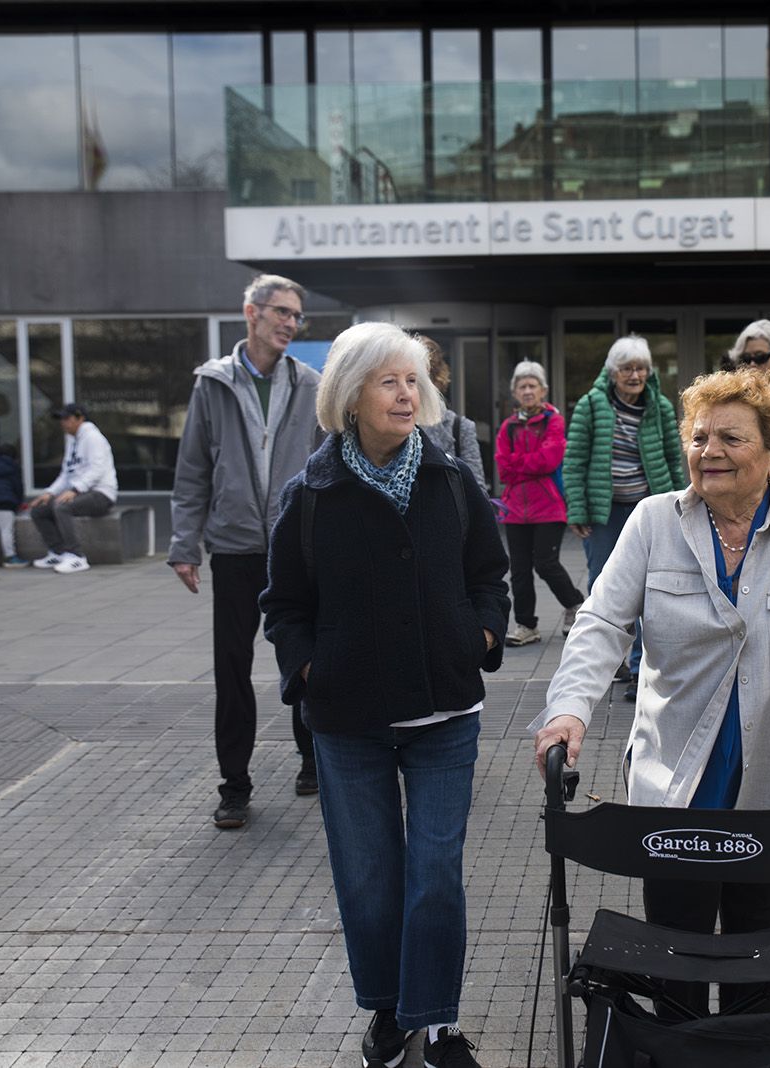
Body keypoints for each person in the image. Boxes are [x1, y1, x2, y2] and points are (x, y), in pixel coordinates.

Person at [534, 367, 770, 1020]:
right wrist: (568, 710)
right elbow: (601, 625)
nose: (710, 451)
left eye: (731, 438)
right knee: (672, 961)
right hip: (675, 792)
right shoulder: (654, 523)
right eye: (700, 437)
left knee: (756, 965)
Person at [260, 321, 509, 1068]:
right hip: (349, 720)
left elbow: (489, 576)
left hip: (445, 713)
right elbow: (284, 605)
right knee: (368, 879)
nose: (406, 395)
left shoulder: (451, 480)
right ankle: (389, 1011)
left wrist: (480, 638)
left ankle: (437, 1022)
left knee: (434, 876)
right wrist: (311, 670)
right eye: (388, 381)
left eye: (412, 381)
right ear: (350, 395)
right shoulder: (310, 495)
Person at [170, 274, 323, 830]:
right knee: (232, 667)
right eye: (282, 312)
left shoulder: (309, 383)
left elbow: (326, 463)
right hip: (233, 546)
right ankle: (234, 785)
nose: (290, 323)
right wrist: (184, 544)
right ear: (251, 313)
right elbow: (193, 469)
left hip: (293, 544)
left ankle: (313, 759)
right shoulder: (212, 384)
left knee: (304, 655)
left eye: (296, 315)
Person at [562, 335, 688, 699]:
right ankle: (603, 664)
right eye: (627, 369)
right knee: (604, 588)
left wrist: (682, 505)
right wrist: (577, 509)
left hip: (649, 509)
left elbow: (673, 458)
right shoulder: (591, 405)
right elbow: (575, 460)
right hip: (605, 513)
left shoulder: (659, 406)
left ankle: (639, 669)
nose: (635, 375)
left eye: (641, 368)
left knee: (651, 588)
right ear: (612, 372)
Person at [495, 360, 585, 647]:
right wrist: (529, 465)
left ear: (543, 390)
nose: (527, 391)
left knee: (545, 563)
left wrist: (519, 463)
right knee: (519, 571)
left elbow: (550, 459)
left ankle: (575, 604)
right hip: (515, 510)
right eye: (522, 386)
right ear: (515, 392)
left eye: (532, 385)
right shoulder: (508, 426)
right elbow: (502, 468)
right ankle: (526, 625)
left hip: (548, 506)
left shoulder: (553, 421)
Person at [28, 403, 117, 575]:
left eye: (67, 419)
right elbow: (66, 474)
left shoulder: (93, 438)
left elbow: (97, 470)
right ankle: (58, 552)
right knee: (39, 510)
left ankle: (76, 556)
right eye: (61, 419)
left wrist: (75, 490)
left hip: (102, 494)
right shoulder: (72, 440)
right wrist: (49, 492)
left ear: (80, 418)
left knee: (62, 507)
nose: (63, 423)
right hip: (81, 492)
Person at [418, 335, 487, 492]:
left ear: (437, 380)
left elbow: (477, 492)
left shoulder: (461, 427)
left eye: (416, 379)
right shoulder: (392, 426)